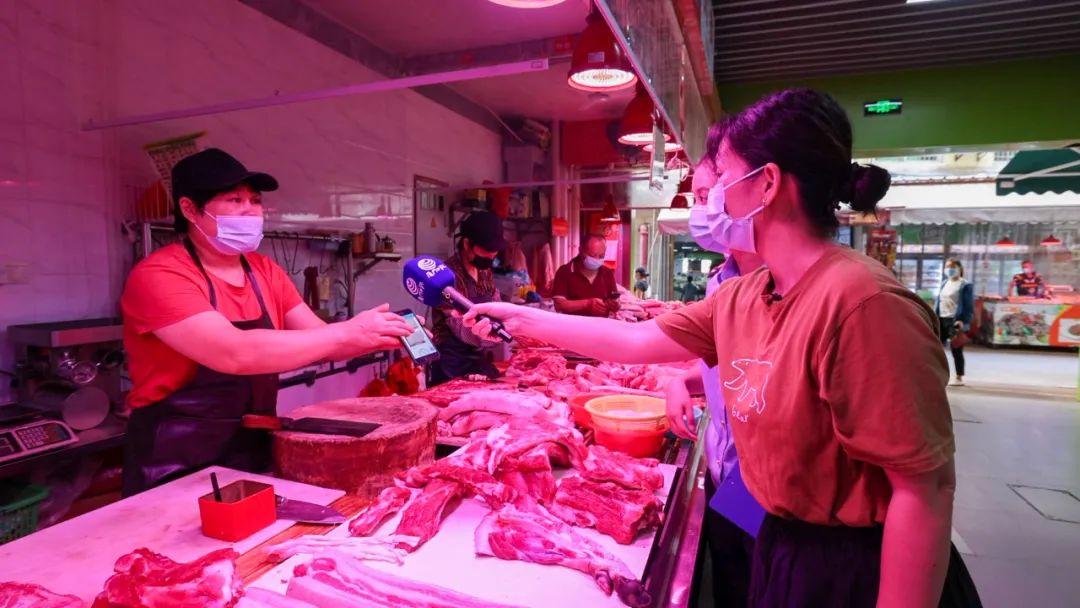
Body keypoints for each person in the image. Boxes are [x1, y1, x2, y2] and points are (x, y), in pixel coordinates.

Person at [464, 89, 981, 607]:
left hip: (858, 569)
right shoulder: (745, 293)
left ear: (768, 183)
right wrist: (518, 316)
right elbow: (634, 340)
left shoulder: (864, 304)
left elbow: (925, 490)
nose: (710, 200)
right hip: (783, 545)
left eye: (722, 178)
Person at [120, 148, 413, 495]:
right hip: (174, 462)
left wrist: (387, 332)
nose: (250, 210)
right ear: (189, 209)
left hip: (253, 451)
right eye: (235, 200)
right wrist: (349, 331)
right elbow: (234, 352)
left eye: (255, 201)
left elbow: (321, 341)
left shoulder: (264, 271)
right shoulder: (160, 275)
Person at [664, 123, 766, 608]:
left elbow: (921, 485)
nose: (703, 209)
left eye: (710, 192)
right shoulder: (724, 278)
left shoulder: (801, 287)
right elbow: (730, 366)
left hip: (769, 492)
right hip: (728, 473)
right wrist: (680, 380)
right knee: (730, 580)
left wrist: (522, 317)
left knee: (758, 583)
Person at [429, 211, 509, 384]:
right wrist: (493, 335)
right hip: (450, 361)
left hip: (477, 357)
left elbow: (496, 304)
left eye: (494, 252)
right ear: (466, 244)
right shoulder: (445, 275)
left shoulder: (485, 271)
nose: (491, 257)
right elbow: (460, 327)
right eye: (486, 251)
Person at [551, 234, 619, 317]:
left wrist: (615, 305)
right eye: (593, 255)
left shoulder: (607, 273)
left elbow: (615, 300)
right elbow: (559, 305)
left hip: (601, 323)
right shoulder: (564, 272)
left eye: (601, 256)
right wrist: (587, 304)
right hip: (573, 323)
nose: (597, 259)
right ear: (581, 250)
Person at [935, 259, 975, 387]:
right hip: (941, 318)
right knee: (937, 348)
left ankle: (959, 376)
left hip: (955, 320)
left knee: (956, 349)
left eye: (953, 267)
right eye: (947, 267)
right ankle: (938, 374)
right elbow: (939, 301)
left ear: (959, 268)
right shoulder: (944, 283)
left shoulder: (965, 285)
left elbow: (968, 306)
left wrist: (963, 320)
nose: (949, 269)